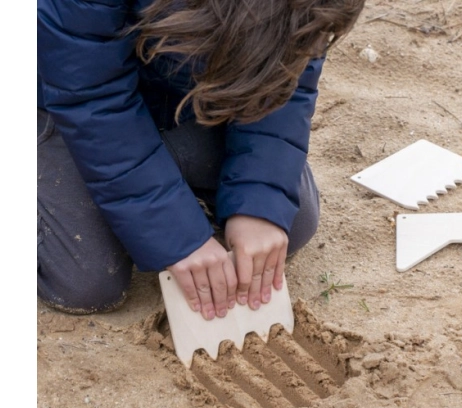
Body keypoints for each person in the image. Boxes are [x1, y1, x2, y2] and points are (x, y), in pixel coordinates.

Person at [37, 0, 365, 320]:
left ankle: (159, 168)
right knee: (86, 281)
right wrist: (175, 232)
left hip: (186, 98)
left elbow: (287, 74)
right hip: (64, 97)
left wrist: (259, 201)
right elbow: (92, 95)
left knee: (289, 222)